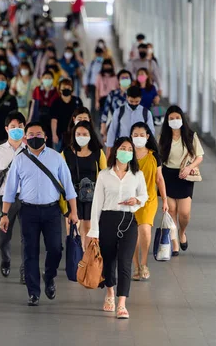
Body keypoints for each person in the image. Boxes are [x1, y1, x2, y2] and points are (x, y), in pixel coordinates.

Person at [0, 122, 79, 306]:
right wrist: (4, 214)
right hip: (28, 211)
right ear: (25, 138)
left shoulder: (56, 158)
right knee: (30, 251)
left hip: (52, 211)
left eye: (38, 134)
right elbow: (10, 190)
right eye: (31, 135)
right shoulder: (19, 160)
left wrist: (73, 211)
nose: (35, 138)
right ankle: (33, 292)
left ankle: (49, 276)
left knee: (55, 249)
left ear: (45, 137)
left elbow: (68, 186)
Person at [86, 137, 148, 319]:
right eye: (123, 148)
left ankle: (122, 303)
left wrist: (136, 201)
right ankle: (110, 293)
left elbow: (144, 195)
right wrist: (94, 231)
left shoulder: (137, 175)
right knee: (109, 260)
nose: (126, 151)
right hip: (108, 219)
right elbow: (97, 203)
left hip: (128, 220)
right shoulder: (104, 174)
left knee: (125, 261)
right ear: (116, 151)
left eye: (130, 149)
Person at [0, 112, 27, 283]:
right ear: (6, 129)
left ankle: (25, 270)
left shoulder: (30, 151)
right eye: (13, 127)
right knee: (4, 237)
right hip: (4, 200)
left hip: (25, 199)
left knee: (27, 236)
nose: (17, 130)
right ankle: (6, 259)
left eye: (20, 127)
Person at [159, 106, 204, 254]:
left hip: (185, 175)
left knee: (184, 213)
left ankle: (182, 232)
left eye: (177, 118)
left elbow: (199, 156)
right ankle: (175, 245)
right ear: (167, 120)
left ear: (182, 119)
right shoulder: (164, 137)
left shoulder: (191, 136)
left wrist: (189, 167)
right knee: (171, 211)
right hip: (168, 175)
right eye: (171, 119)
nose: (174, 121)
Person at [130, 122, 169, 281]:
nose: (138, 138)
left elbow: (159, 179)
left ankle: (144, 263)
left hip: (149, 199)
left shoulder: (154, 156)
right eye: (135, 135)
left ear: (147, 136)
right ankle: (136, 266)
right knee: (132, 235)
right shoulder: (127, 154)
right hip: (130, 200)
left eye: (141, 135)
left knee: (145, 230)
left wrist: (165, 200)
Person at [62, 121, 107, 249]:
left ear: (90, 135)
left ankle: (86, 258)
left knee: (88, 227)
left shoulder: (98, 153)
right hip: (72, 196)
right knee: (73, 227)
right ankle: (75, 259)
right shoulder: (66, 153)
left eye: (85, 134)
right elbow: (60, 175)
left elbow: (105, 174)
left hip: (92, 196)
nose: (81, 136)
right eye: (78, 134)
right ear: (74, 135)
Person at [105, 86, 155, 153]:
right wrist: (109, 149)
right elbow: (112, 131)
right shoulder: (119, 111)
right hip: (122, 147)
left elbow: (151, 132)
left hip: (140, 148)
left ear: (140, 98)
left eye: (137, 101)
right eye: (131, 101)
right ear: (127, 97)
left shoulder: (146, 113)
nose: (134, 104)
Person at [51, 78, 83, 151]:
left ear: (72, 89)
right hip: (60, 134)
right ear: (59, 89)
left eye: (68, 87)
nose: (66, 89)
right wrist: (54, 134)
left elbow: (81, 118)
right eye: (64, 88)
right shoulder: (56, 103)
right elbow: (54, 120)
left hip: (74, 133)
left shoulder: (77, 101)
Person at [100, 70, 132, 143]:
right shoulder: (112, 94)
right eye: (122, 78)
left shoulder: (134, 94)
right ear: (118, 80)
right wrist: (103, 125)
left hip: (131, 125)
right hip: (115, 125)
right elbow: (105, 110)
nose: (125, 80)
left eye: (127, 78)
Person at [29, 71, 59, 147]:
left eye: (49, 78)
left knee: (48, 141)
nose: (47, 80)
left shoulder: (56, 91)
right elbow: (33, 104)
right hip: (38, 118)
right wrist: (29, 119)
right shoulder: (37, 89)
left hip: (50, 119)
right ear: (42, 79)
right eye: (45, 78)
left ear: (52, 80)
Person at [83, 47, 105, 116]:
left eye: (100, 54)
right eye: (97, 54)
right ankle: (93, 121)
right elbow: (86, 75)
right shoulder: (92, 63)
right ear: (95, 54)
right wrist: (86, 86)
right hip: (93, 86)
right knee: (93, 104)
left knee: (101, 104)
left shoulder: (104, 63)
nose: (99, 55)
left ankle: (100, 122)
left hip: (102, 86)